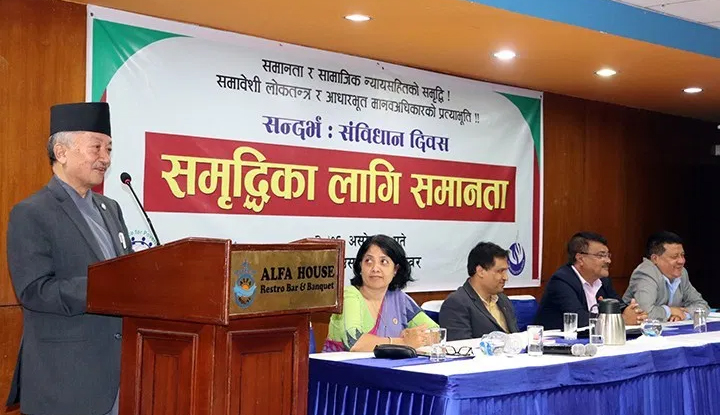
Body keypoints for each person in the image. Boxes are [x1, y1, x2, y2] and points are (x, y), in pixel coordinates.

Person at [6, 102, 132, 415]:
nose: (106, 158)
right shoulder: (32, 212)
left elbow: (128, 271)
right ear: (61, 152)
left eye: (109, 148)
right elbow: (34, 291)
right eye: (96, 147)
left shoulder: (111, 208)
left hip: (120, 376)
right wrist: (105, 286)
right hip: (65, 380)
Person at [323, 234, 438, 352]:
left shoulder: (398, 299)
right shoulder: (349, 295)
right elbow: (354, 343)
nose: (375, 268)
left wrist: (416, 336)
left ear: (395, 269)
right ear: (360, 266)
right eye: (368, 261)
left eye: (383, 261)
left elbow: (436, 332)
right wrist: (403, 342)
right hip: (339, 363)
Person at [534, 232, 647, 330]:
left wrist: (633, 312)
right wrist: (621, 319)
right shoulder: (561, 281)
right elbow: (579, 319)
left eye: (608, 255)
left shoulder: (603, 281)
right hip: (558, 344)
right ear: (580, 259)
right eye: (601, 255)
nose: (608, 260)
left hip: (593, 340)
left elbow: (619, 306)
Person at [439, 242, 519, 341]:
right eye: (500, 271)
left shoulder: (503, 299)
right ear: (480, 271)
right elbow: (461, 346)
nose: (505, 277)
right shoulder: (456, 303)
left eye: (506, 271)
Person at [623, 231, 709, 322]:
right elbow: (644, 312)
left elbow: (703, 305)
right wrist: (670, 311)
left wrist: (683, 315)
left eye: (682, 255)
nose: (681, 261)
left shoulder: (682, 273)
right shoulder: (645, 273)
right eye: (674, 256)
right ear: (655, 259)